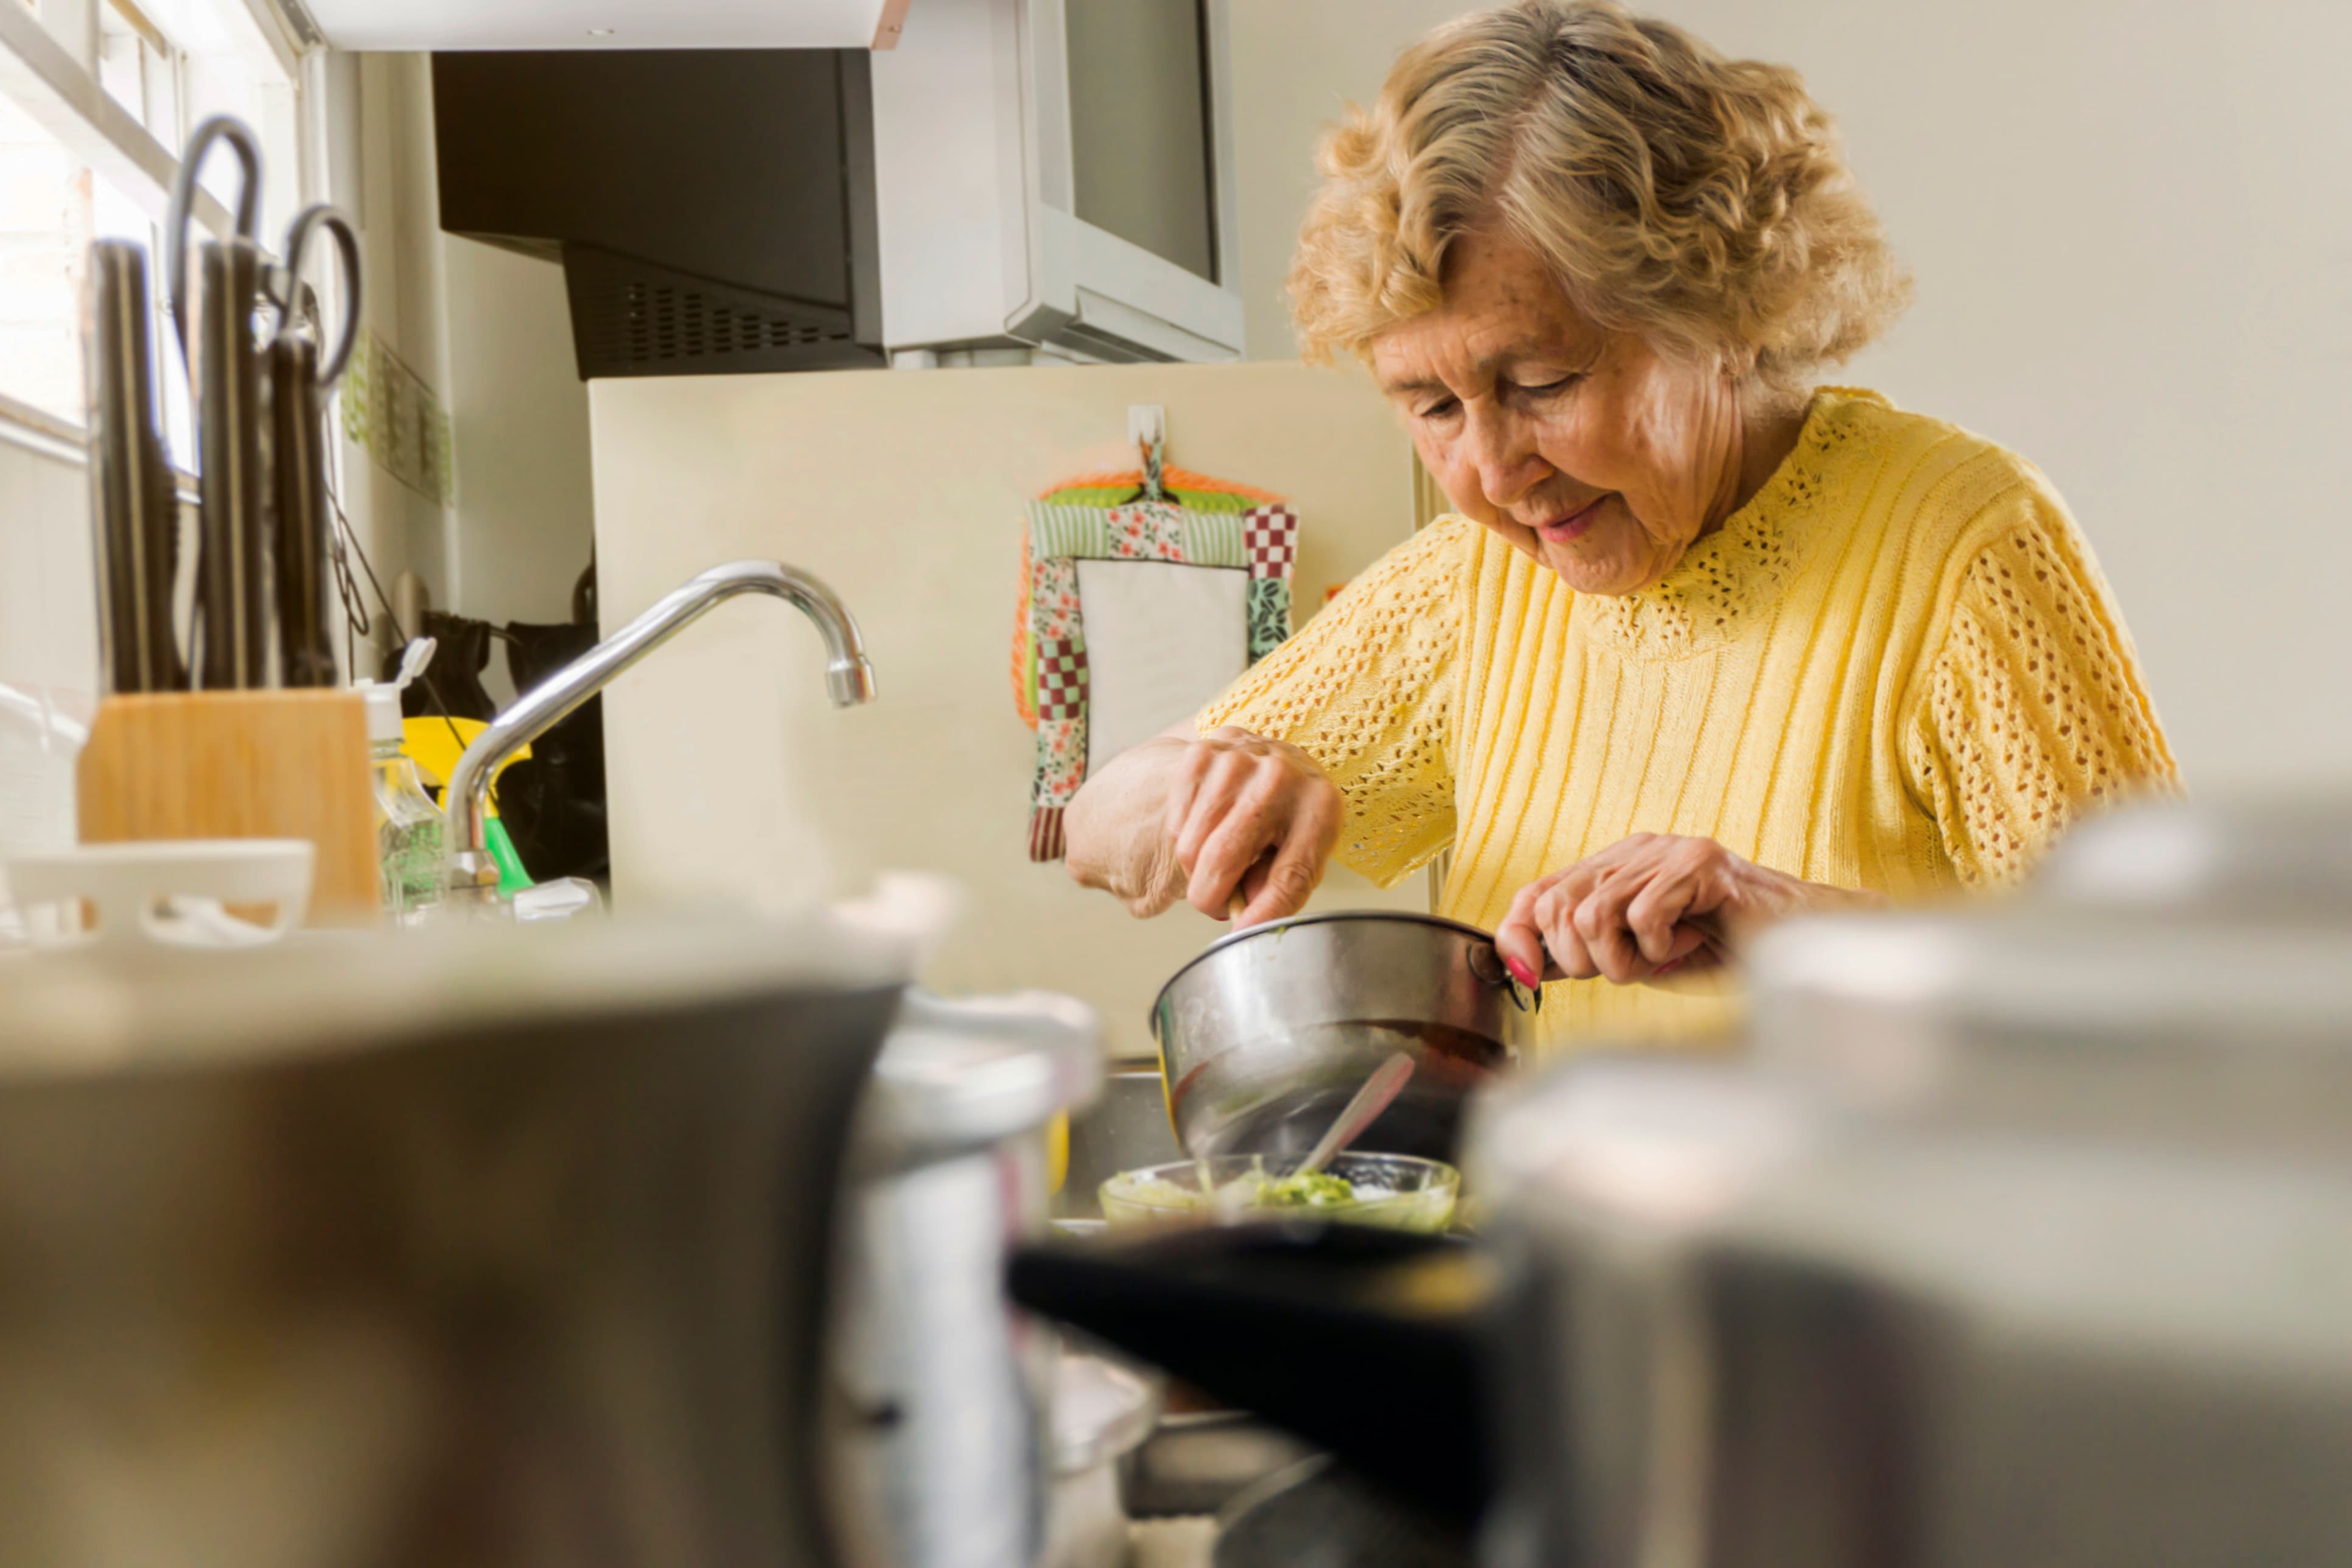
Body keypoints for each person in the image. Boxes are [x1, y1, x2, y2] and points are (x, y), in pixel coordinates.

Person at [1064, 0, 2175, 1049]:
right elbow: (1096, 828)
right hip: (1567, 1238)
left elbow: (2170, 1021)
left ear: (1725, 315)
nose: (1494, 471)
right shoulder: (1472, 587)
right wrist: (1215, 779)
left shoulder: (1959, 548)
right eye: (1435, 407)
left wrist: (1792, 928)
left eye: (1543, 381)